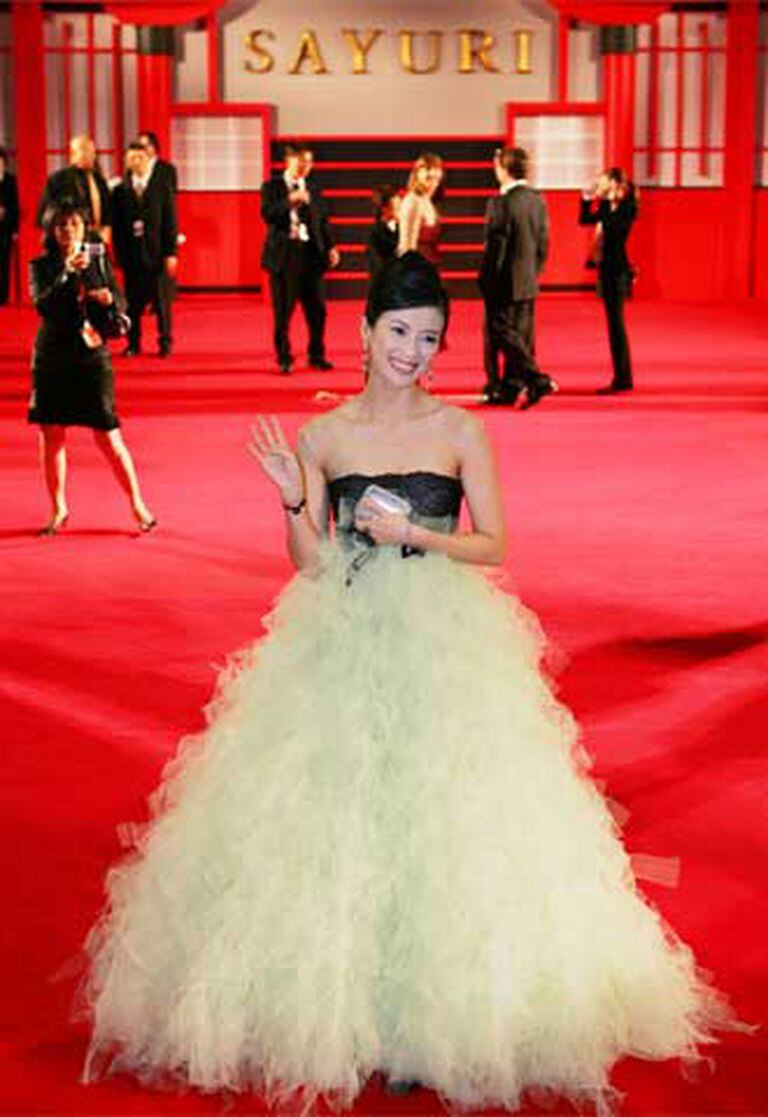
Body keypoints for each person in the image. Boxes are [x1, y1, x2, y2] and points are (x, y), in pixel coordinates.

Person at [81, 252, 734, 1114]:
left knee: (443, 817)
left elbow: (494, 544)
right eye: (398, 332)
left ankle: (433, 1016)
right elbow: (312, 564)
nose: (412, 352)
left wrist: (416, 535)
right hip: (345, 634)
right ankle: (348, 1008)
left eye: (428, 338)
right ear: (364, 330)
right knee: (343, 819)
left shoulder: (459, 430)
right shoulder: (324, 437)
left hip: (440, 636)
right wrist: (292, 500)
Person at [28, 202, 155, 535]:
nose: (69, 230)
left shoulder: (98, 258)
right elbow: (43, 304)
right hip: (52, 358)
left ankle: (137, 504)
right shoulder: (41, 266)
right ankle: (58, 509)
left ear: (85, 228)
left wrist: (110, 301)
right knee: (52, 434)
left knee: (108, 436)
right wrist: (67, 272)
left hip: (91, 355)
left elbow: (119, 297)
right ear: (51, 231)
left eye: (75, 224)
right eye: (61, 225)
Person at [478, 146, 556, 409]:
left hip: (503, 280)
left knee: (499, 331)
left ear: (504, 169)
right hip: (528, 278)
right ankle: (511, 388)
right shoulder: (537, 200)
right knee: (521, 335)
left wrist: (486, 279)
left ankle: (536, 379)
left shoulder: (501, 203)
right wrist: (534, 271)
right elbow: (544, 242)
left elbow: (495, 248)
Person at [260, 141, 340, 374]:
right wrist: (290, 201)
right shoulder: (272, 186)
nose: (305, 166)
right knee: (283, 312)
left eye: (309, 162)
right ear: (288, 161)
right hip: (284, 256)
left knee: (318, 310)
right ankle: (284, 357)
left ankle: (317, 355)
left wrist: (331, 247)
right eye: (301, 161)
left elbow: (322, 221)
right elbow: (267, 215)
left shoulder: (313, 188)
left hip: (311, 255)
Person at [112, 142, 178, 357]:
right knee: (132, 304)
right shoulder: (120, 191)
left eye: (140, 158)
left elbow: (170, 222)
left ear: (148, 160)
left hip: (157, 253)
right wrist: (119, 256)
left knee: (162, 303)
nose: (136, 162)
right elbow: (117, 228)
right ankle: (133, 343)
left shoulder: (161, 187)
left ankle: (165, 342)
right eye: (132, 158)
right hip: (132, 256)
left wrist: (171, 253)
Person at [579, 167, 638, 393]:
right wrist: (586, 200)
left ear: (613, 183)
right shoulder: (605, 206)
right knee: (613, 327)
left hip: (619, 271)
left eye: (602, 181)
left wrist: (604, 203)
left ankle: (623, 378)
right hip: (606, 270)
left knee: (617, 326)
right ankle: (621, 377)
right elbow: (585, 219)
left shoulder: (628, 207)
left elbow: (614, 232)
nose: (599, 185)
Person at [37, 134, 111, 245]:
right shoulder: (58, 179)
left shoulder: (99, 179)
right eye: (85, 151)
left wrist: (106, 229)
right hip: (68, 238)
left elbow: (107, 209)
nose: (91, 155)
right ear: (73, 155)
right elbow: (45, 213)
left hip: (96, 237)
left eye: (93, 152)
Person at [397, 152, 443, 267]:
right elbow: (405, 247)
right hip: (416, 269)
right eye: (429, 178)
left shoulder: (428, 201)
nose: (433, 184)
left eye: (437, 179)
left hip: (430, 267)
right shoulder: (412, 201)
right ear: (417, 175)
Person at [366, 183, 400, 282]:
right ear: (384, 209)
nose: (401, 210)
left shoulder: (403, 229)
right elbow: (376, 263)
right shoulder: (375, 232)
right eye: (397, 207)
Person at [0, 147, 20, 305]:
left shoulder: (11, 181)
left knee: (4, 262)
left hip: (5, 228)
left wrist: (15, 230)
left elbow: (15, 207)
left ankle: (3, 296)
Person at [137, 130, 179, 195]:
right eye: (140, 146)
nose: (143, 149)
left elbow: (170, 195)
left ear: (154, 146)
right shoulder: (132, 168)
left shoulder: (167, 169)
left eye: (146, 146)